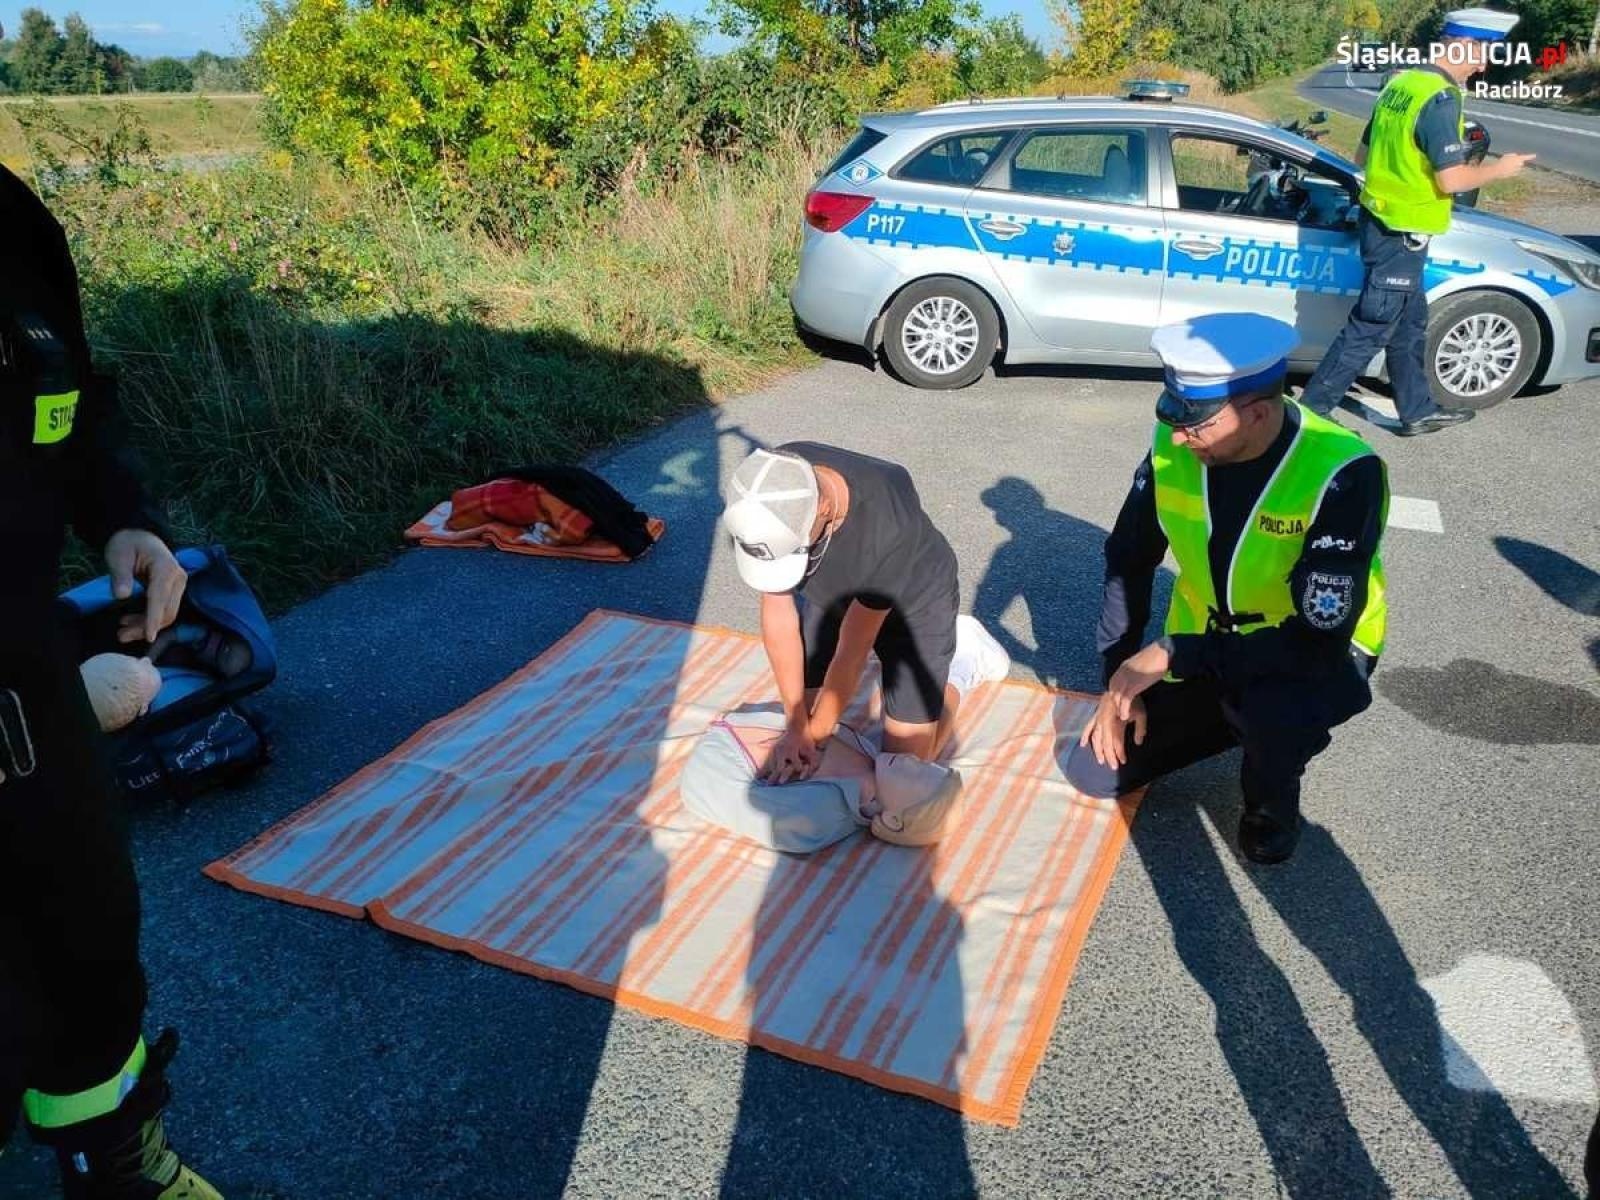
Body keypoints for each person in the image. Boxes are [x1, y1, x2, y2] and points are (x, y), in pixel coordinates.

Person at [1, 158, 221, 1198]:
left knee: (88, 958)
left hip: (29, 693)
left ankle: (117, 1169)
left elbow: (68, 402)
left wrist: (125, 517)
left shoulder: (7, 220)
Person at [1068, 313, 1388, 864]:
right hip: (1207, 643)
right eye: (1174, 417)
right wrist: (1119, 679)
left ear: (1256, 413)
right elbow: (1129, 558)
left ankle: (1272, 793)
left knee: (1274, 715)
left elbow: (1318, 639)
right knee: (1094, 771)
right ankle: (1231, 717)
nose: (1178, 435)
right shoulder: (1175, 446)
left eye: (1197, 423)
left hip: (1311, 656)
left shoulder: (1344, 471)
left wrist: (1177, 652)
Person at [1299, 6, 1533, 436]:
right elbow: (1453, 180)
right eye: (1482, 54)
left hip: (1383, 222)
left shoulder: (1400, 84)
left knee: (1410, 322)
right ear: (1462, 45)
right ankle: (1312, 412)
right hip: (1401, 233)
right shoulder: (1440, 98)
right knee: (1371, 325)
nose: (1482, 66)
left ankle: (1416, 410)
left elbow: (1363, 157)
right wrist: (1500, 169)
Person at [722, 445, 1009, 783]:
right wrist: (796, 724)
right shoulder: (772, 484)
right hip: (832, 593)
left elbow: (853, 649)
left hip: (917, 597)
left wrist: (813, 737)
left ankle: (963, 662)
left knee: (903, 771)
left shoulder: (888, 522)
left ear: (824, 508)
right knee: (809, 712)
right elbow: (777, 611)